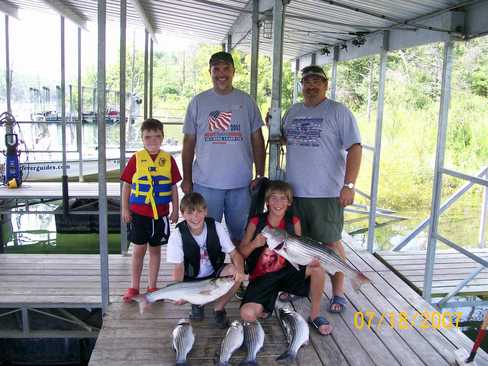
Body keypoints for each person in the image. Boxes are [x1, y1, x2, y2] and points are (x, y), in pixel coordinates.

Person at [282, 65, 362, 313]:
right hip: (294, 192)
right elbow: (286, 139)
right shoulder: (292, 111)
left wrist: (349, 185)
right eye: (307, 81)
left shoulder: (338, 112)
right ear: (301, 86)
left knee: (330, 243)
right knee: (298, 246)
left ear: (326, 85)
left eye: (317, 81)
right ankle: (300, 287)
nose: (311, 86)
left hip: (327, 193)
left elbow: (355, 148)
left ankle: (338, 293)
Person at [181, 51, 265, 246]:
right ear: (209, 72)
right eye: (216, 69)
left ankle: (240, 273)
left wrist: (260, 174)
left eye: (226, 68)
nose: (221, 73)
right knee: (206, 233)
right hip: (206, 183)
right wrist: (186, 178)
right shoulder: (198, 102)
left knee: (241, 235)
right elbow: (188, 142)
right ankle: (210, 274)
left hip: (241, 184)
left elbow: (257, 139)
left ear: (234, 71)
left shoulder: (247, 101)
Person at [239, 181, 333, 335]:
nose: (278, 203)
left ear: (289, 202)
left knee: (317, 269)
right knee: (247, 314)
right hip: (262, 278)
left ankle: (315, 315)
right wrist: (254, 244)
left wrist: (310, 259)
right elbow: (241, 253)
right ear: (267, 201)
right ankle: (268, 303)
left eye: (283, 198)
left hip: (287, 272)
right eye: (274, 198)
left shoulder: (294, 221)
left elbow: (300, 250)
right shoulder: (256, 222)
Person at [120, 118, 181, 303]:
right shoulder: (136, 159)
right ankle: (134, 287)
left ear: (162, 138)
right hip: (138, 214)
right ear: (142, 138)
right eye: (148, 137)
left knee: (155, 251)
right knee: (138, 250)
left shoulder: (168, 159)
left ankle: (152, 286)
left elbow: (173, 187)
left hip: (160, 215)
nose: (152, 141)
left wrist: (176, 209)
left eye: (157, 137)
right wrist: (124, 209)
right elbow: (127, 186)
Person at [166, 192, 246, 329]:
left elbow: (235, 254)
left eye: (199, 212)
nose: (195, 217)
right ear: (182, 214)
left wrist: (240, 271)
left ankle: (219, 308)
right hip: (191, 278)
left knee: (235, 272)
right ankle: (197, 303)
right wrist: (178, 292)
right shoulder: (177, 236)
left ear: (205, 212)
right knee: (188, 295)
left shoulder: (216, 227)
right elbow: (178, 268)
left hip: (214, 273)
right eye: (190, 213)